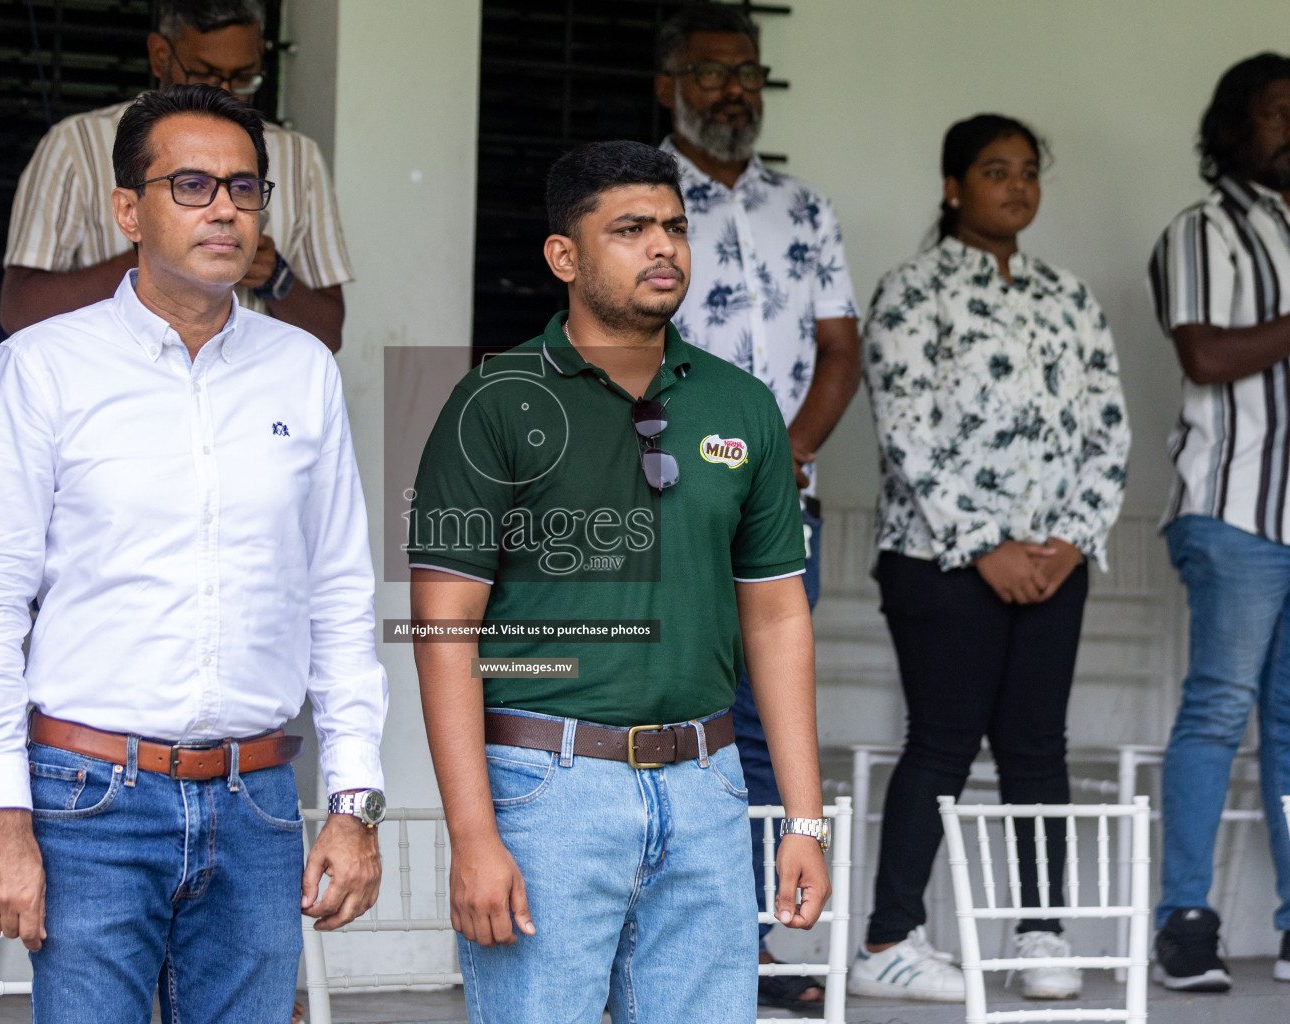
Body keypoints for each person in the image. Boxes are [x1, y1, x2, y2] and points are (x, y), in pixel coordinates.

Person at [0, 85, 388, 1023]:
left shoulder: (301, 368)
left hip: (258, 802)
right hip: (87, 803)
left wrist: (355, 803)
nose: (225, 208)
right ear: (126, 210)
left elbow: (341, 596)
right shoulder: (45, 364)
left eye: (244, 188)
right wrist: (2, 816)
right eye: (191, 184)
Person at [406, 139, 830, 1024]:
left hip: (709, 787)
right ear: (565, 255)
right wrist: (474, 835)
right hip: (545, 788)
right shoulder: (492, 402)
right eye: (631, 229)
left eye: (674, 227)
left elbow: (779, 617)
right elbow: (446, 629)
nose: (664, 247)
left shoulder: (742, 405)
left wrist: (802, 818)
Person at [851, 114, 1130, 1003]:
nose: (1016, 186)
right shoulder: (911, 291)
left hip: (1055, 561)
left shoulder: (1069, 296)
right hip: (938, 560)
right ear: (952, 187)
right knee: (941, 741)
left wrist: (1070, 542)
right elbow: (906, 433)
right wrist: (987, 548)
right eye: (994, 170)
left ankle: (1040, 931)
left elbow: (1110, 429)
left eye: (1027, 172)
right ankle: (890, 941)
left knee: (1037, 747)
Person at [652, 5, 859, 1011]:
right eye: (710, 71)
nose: (733, 88)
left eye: (748, 72)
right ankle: (672, 933)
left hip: (780, 508)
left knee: (769, 716)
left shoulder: (805, 207)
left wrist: (789, 454)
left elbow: (841, 348)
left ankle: (756, 940)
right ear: (669, 85)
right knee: (678, 701)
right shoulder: (640, 202)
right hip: (669, 505)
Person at [1146, 51, 1290, 992]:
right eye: (1279, 111)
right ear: (1233, 126)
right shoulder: (1203, 231)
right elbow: (1203, 353)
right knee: (1216, 713)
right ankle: (1185, 926)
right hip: (1235, 510)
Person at [0, 0, 352, 350]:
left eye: (243, 77)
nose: (224, 92)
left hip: (255, 393)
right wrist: (160, 249)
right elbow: (19, 312)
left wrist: (275, 276)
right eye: (204, 73)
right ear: (159, 55)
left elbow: (329, 334)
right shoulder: (76, 145)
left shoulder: (299, 157)